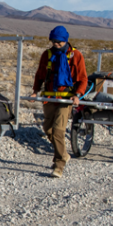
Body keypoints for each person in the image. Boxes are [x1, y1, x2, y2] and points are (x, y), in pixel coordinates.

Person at [31, 26, 87, 178]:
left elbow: (82, 78)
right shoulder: (47, 55)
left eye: (59, 42)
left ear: (65, 41)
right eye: (53, 41)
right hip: (49, 98)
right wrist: (36, 90)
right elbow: (40, 74)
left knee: (58, 132)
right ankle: (64, 154)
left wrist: (77, 95)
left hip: (65, 99)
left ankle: (59, 164)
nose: (55, 44)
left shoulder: (75, 55)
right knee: (48, 129)